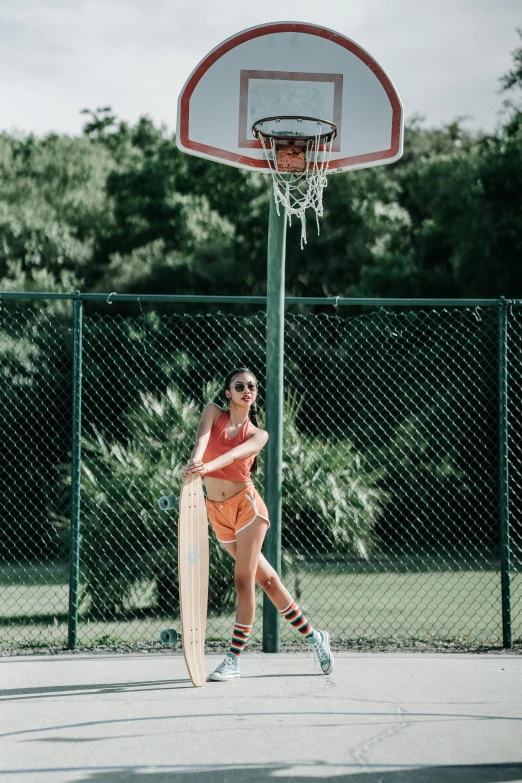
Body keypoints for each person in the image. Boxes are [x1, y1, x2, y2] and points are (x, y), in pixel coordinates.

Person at [182, 367, 334, 682]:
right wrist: (196, 463)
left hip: (247, 509)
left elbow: (235, 454)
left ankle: (233, 660)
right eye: (239, 385)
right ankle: (315, 637)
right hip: (216, 513)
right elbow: (202, 441)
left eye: (251, 386)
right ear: (228, 392)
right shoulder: (213, 412)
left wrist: (207, 465)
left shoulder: (258, 434)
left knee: (243, 581)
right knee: (268, 581)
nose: (247, 389)